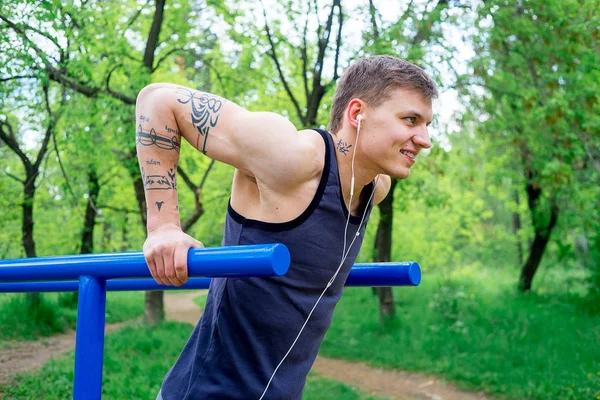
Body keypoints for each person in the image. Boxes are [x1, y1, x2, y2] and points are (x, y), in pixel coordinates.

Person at [136, 55, 437, 400]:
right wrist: (163, 227)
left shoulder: (374, 190)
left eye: (427, 124)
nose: (425, 139)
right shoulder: (292, 159)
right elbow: (158, 101)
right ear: (357, 114)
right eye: (410, 120)